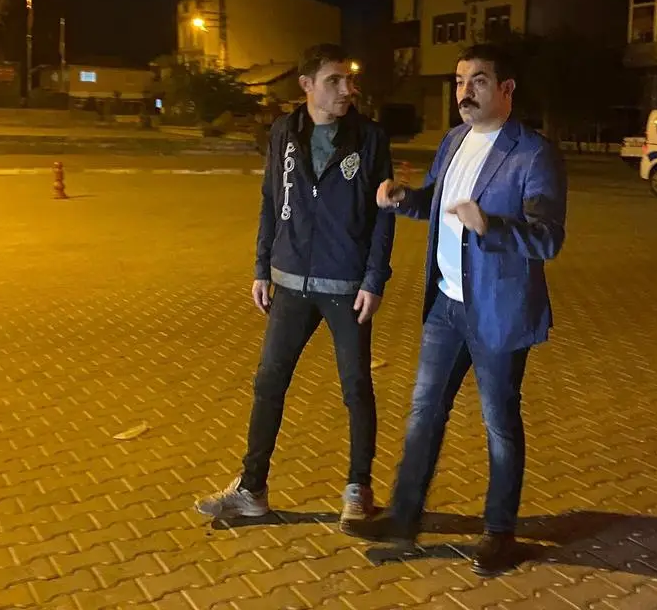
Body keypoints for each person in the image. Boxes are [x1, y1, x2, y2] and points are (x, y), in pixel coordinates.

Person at [351, 43, 567, 578]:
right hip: (446, 306)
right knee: (424, 411)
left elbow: (547, 238)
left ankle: (500, 532)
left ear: (506, 89)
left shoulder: (532, 153)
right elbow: (436, 203)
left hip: (497, 313)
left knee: (499, 423)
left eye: (478, 81)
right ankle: (404, 517)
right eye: (458, 81)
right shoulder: (454, 140)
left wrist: (492, 226)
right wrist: (403, 199)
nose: (464, 92)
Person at [193, 44, 395, 531]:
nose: (347, 89)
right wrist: (262, 266)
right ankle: (252, 490)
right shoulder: (284, 131)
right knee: (269, 383)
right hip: (288, 282)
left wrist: (373, 279)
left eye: (349, 79)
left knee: (355, 387)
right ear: (306, 85)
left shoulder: (368, 137)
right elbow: (270, 199)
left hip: (346, 285)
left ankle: (358, 489)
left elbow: (383, 217)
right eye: (334, 81)